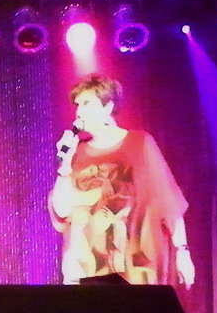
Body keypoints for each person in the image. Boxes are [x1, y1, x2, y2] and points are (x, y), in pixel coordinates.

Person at [49, 74, 194, 287]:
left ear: (107, 107)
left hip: (133, 265)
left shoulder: (139, 144)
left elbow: (167, 199)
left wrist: (182, 250)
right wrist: (65, 165)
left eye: (86, 103)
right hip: (86, 267)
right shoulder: (77, 153)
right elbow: (62, 211)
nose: (79, 112)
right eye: (77, 105)